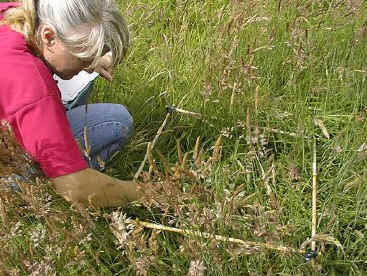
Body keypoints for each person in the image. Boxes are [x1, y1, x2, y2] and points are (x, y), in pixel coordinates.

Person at [0, 0, 139, 208]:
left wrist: (90, 57)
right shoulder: (31, 83)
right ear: (49, 37)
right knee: (116, 122)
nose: (88, 66)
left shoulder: (19, 12)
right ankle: (36, 197)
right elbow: (75, 186)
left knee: (82, 86)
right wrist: (146, 193)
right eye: (83, 58)